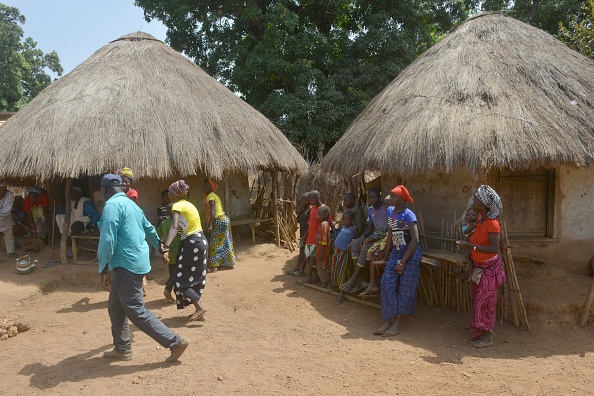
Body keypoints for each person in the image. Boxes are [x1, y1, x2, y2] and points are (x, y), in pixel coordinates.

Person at [97, 174, 190, 363]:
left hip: (126, 264)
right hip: (136, 262)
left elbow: (108, 240)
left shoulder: (111, 206)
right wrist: (160, 246)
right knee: (116, 307)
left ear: (104, 190)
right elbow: (149, 228)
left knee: (135, 310)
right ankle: (122, 348)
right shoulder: (132, 205)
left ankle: (175, 342)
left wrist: (103, 268)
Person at [456, 185, 505, 348]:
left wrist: (470, 247)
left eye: (476, 200)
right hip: (480, 268)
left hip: (489, 269)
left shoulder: (492, 223)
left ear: (483, 205)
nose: (473, 202)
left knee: (487, 303)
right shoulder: (480, 220)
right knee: (478, 301)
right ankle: (479, 329)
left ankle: (488, 336)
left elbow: (493, 248)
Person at [374, 185, 422, 337]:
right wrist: (387, 256)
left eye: (394, 196)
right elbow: (390, 236)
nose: (390, 199)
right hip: (396, 251)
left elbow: (415, 240)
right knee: (386, 282)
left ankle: (398, 322)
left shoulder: (409, 215)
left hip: (410, 253)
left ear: (401, 199)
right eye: (390, 196)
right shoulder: (390, 211)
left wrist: (403, 262)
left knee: (406, 287)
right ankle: (388, 319)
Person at [163, 180, 208, 321]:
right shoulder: (190, 205)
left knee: (178, 277)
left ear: (176, 193)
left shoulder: (177, 205)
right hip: (201, 241)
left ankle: (199, 307)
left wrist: (166, 245)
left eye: (170, 192)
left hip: (192, 243)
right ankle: (198, 311)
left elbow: (174, 227)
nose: (168, 194)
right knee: (193, 277)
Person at [340, 188, 387, 292]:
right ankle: (360, 277)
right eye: (370, 198)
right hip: (374, 235)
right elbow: (370, 229)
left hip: (384, 237)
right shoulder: (370, 210)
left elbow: (389, 230)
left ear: (379, 197)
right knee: (355, 245)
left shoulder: (386, 208)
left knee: (365, 246)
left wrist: (375, 238)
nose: (372, 199)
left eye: (374, 197)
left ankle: (354, 278)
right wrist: (362, 237)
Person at [300, 190, 332, 284]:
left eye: (311, 200)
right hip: (309, 238)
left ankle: (308, 278)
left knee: (312, 258)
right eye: (309, 201)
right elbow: (310, 224)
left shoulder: (324, 209)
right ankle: (315, 276)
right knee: (308, 258)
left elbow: (330, 223)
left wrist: (334, 234)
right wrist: (305, 236)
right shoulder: (312, 208)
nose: (310, 202)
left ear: (317, 198)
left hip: (316, 240)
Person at [203, 179, 236, 272]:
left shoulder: (210, 196)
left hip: (218, 220)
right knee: (225, 241)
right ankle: (229, 263)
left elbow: (213, 210)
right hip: (224, 219)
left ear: (211, 187)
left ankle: (213, 266)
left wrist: (209, 225)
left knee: (214, 242)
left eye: (206, 186)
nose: (204, 188)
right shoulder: (214, 195)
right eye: (203, 186)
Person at [157, 203, 187, 301]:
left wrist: (162, 247)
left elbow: (157, 235)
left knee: (173, 272)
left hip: (168, 252)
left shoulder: (163, 223)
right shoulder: (178, 224)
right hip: (179, 251)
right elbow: (183, 235)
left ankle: (174, 292)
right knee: (178, 273)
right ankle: (168, 289)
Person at [332, 211, 358, 304]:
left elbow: (356, 237)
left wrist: (352, 242)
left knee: (342, 270)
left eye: (347, 219)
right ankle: (336, 286)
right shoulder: (343, 227)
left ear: (352, 220)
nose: (344, 221)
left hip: (344, 252)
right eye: (343, 219)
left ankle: (342, 291)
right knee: (336, 269)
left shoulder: (354, 228)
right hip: (336, 250)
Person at [288, 192, 310, 276]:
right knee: (301, 251)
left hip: (307, 235)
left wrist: (306, 235)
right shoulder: (303, 209)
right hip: (302, 235)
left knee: (306, 253)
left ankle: (301, 270)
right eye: (302, 199)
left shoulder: (310, 210)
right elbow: (297, 221)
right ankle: (297, 268)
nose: (303, 201)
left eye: (305, 199)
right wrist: (299, 212)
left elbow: (311, 224)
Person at [314, 206, 333, 288]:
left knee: (322, 265)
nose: (318, 216)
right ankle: (325, 282)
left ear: (326, 215)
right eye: (318, 214)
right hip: (320, 248)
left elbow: (324, 238)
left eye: (320, 215)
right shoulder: (325, 223)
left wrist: (321, 251)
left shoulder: (323, 224)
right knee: (321, 264)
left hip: (323, 249)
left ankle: (326, 282)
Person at [0, 182, 17, 258]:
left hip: (6, 220)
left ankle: (10, 252)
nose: (2, 194)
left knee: (9, 236)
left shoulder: (9, 195)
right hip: (3, 216)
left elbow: (7, 211)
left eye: (3, 192)